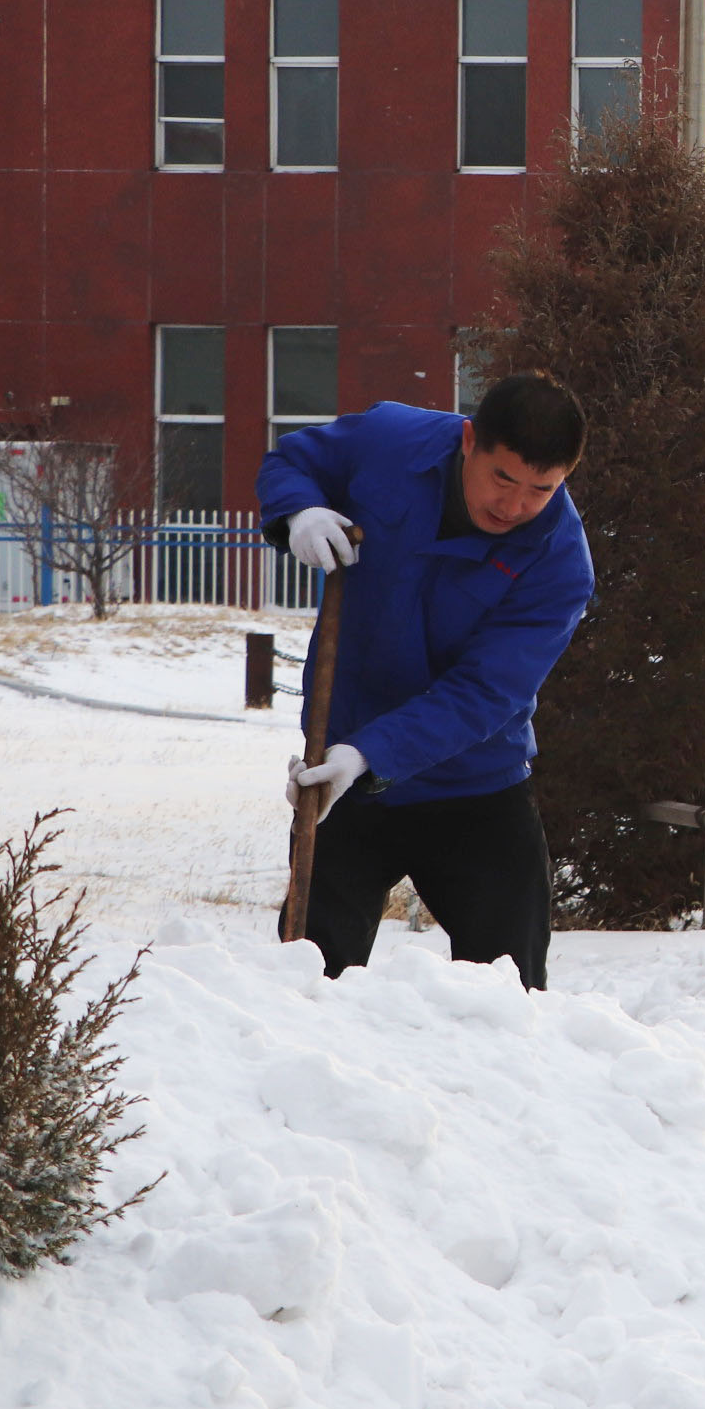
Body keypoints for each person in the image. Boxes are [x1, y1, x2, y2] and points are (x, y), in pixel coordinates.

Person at [258, 376, 595, 990]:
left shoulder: (559, 562)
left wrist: (369, 756)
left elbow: (485, 693)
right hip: (341, 779)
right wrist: (298, 510)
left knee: (509, 993)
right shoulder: (390, 441)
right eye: (503, 478)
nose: (514, 506)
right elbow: (292, 461)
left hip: (476, 783)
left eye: (541, 489)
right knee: (307, 979)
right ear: (469, 441)